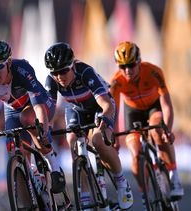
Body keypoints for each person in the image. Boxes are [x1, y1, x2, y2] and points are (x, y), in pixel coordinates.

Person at [44, 42, 133, 210]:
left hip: (101, 106)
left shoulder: (85, 72)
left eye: (64, 71)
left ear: (72, 65)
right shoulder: (52, 80)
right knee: (72, 141)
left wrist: (105, 122)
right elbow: (49, 110)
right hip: (76, 109)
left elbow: (107, 105)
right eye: (55, 72)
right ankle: (84, 195)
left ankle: (121, 182)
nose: (59, 76)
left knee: (98, 140)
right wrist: (45, 126)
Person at [0, 39, 66, 193]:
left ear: (9, 62)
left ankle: (54, 167)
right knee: (13, 150)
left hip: (39, 104)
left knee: (27, 118)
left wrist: (43, 128)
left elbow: (38, 105)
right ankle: (32, 178)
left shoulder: (22, 69)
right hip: (12, 109)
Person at [110, 41, 184, 202]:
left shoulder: (153, 72)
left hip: (153, 107)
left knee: (158, 132)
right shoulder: (116, 82)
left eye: (131, 65)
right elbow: (113, 112)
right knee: (135, 154)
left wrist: (168, 129)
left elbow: (166, 103)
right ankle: (145, 194)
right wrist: (114, 137)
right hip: (132, 112)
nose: (127, 70)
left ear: (139, 61)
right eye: (122, 67)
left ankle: (174, 176)